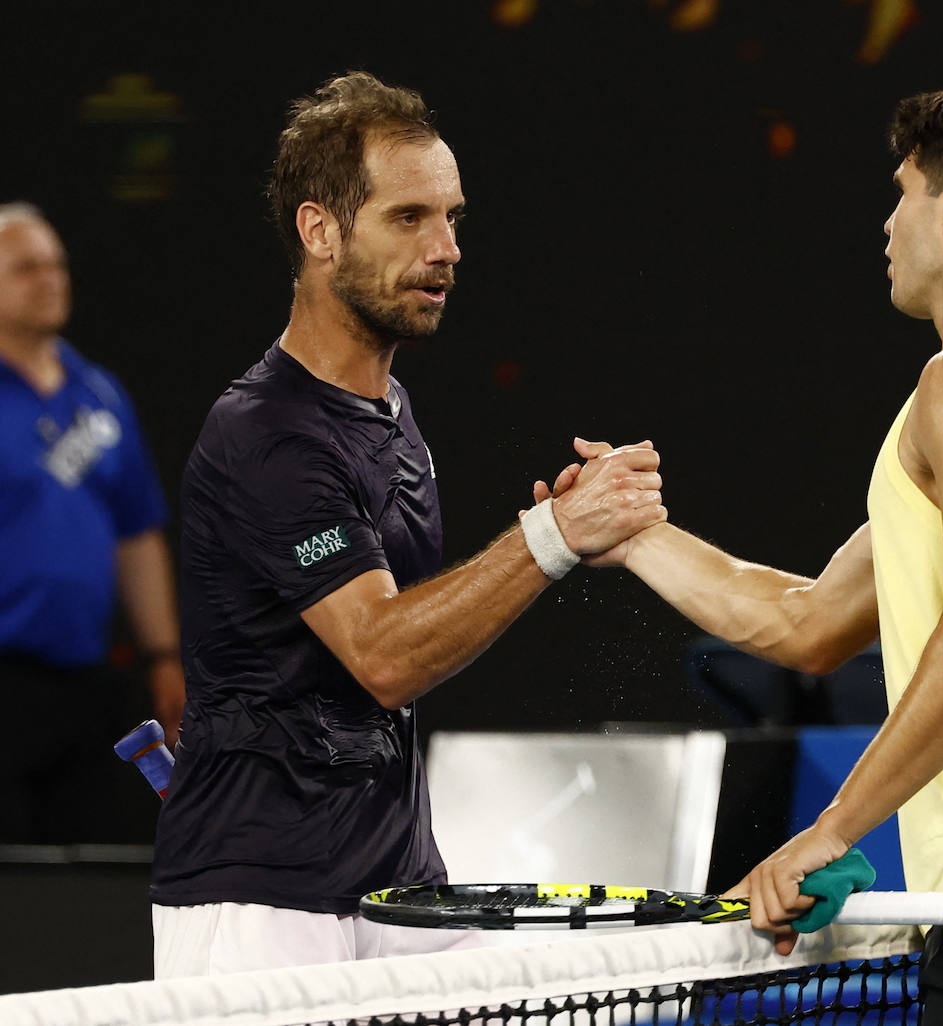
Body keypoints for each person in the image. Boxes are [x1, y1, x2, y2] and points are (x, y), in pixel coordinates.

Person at [551, 78, 943, 1023]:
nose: (888, 223)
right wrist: (633, 537)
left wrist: (831, 830)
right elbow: (804, 623)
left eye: (903, 192)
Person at [148, 72, 665, 977]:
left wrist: (550, 533)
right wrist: (548, 540)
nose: (447, 249)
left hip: (392, 888)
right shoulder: (264, 435)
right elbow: (383, 656)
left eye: (453, 218)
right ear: (319, 232)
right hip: (261, 903)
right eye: (409, 219)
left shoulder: (391, 413)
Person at [0, 203, 184, 844]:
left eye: (56, 265)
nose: (50, 279)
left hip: (86, 677)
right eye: (27, 268)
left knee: (83, 874)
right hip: (4, 674)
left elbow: (137, 532)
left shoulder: (98, 393)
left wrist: (162, 655)